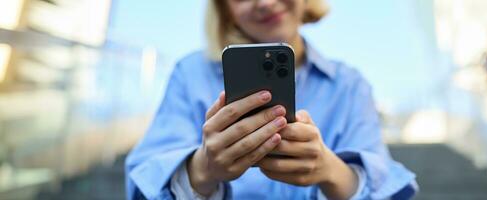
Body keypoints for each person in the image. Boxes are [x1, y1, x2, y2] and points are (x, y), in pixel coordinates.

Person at [125, 0, 418, 199]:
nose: (264, 1)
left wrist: (330, 170)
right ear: (224, 9)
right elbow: (141, 181)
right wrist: (202, 169)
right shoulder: (189, 74)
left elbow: (386, 187)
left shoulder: (350, 86)